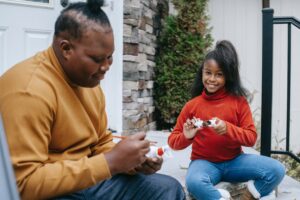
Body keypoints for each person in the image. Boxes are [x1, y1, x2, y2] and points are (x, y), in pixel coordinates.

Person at [0, 0, 185, 199]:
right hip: (48, 191)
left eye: (110, 57)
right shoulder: (29, 92)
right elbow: (22, 184)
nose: (106, 67)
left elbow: (99, 142)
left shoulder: (87, 80)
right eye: (97, 59)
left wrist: (133, 161)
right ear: (66, 49)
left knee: (167, 189)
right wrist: (110, 162)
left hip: (83, 178)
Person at [168, 40, 285, 200]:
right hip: (204, 163)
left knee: (277, 170)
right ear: (201, 72)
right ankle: (220, 197)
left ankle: (249, 195)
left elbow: (251, 138)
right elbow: (173, 142)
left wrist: (228, 129)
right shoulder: (192, 106)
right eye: (208, 73)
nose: (212, 79)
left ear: (227, 76)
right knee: (194, 182)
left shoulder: (238, 102)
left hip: (235, 162)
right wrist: (187, 136)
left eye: (219, 74)